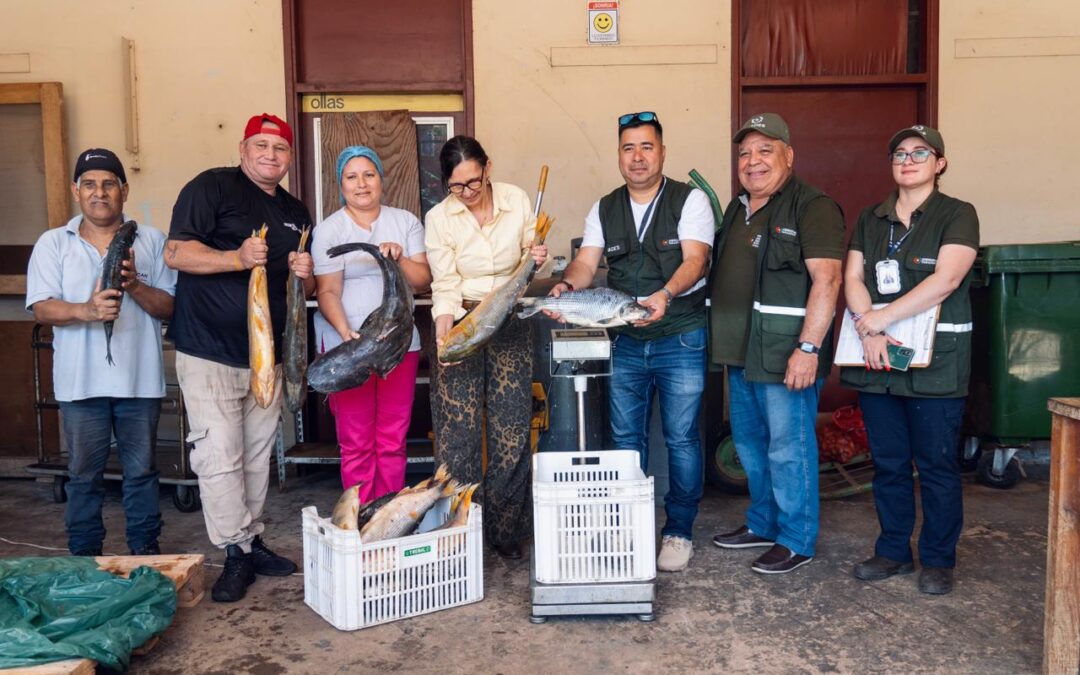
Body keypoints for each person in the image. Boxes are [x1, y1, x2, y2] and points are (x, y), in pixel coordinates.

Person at [551, 111, 713, 572]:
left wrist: (664, 294)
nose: (637, 157)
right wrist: (566, 288)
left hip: (679, 337)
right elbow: (586, 264)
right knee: (625, 438)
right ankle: (628, 525)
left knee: (681, 439)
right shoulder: (605, 207)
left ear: (662, 152)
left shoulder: (690, 200)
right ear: (619, 156)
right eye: (628, 148)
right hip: (624, 343)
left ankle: (678, 531)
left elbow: (695, 261)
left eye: (646, 147)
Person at [166, 113, 314, 602]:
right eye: (261, 145)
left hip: (264, 356)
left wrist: (302, 272)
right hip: (208, 349)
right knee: (218, 456)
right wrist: (234, 258)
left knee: (254, 457)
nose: (270, 155)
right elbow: (176, 253)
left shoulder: (296, 211)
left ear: (291, 157)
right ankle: (232, 553)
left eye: (280, 148)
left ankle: (250, 542)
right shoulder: (212, 187)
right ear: (243, 148)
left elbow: (296, 287)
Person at [841, 125, 979, 595]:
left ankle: (938, 559)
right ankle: (893, 551)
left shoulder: (957, 214)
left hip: (935, 367)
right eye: (900, 152)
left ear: (939, 163)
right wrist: (866, 321)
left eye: (921, 152)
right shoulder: (871, 217)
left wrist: (880, 320)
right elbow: (853, 276)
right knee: (889, 463)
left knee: (937, 464)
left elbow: (946, 280)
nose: (908, 159)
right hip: (877, 362)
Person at [709, 113, 844, 574]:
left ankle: (797, 537)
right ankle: (763, 522)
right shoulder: (737, 208)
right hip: (741, 353)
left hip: (786, 354)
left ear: (789, 155)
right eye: (745, 153)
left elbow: (827, 280)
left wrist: (808, 349)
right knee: (750, 445)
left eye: (766, 150)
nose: (753, 161)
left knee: (789, 447)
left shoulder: (812, 206)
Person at [26, 148, 175, 557]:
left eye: (109, 184)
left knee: (142, 473)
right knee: (82, 475)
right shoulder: (54, 242)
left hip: (139, 381)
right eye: (90, 184)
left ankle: (146, 552)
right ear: (77, 191)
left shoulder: (151, 240)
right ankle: (84, 556)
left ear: (124, 190)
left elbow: (171, 307)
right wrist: (86, 310)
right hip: (80, 386)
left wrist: (136, 287)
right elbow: (41, 307)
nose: (100, 193)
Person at [426, 136, 546, 560]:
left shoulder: (515, 199)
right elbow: (444, 282)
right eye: (456, 186)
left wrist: (538, 255)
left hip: (510, 320)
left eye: (473, 182)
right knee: (457, 436)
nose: (467, 193)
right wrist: (445, 334)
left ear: (487, 168)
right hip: (463, 319)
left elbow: (531, 255)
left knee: (511, 430)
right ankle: (460, 534)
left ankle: (506, 531)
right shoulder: (440, 217)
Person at [312, 146, 431, 502]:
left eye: (369, 175)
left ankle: (390, 513)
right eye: (352, 177)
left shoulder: (405, 221)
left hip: (397, 345)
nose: (361, 184)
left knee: (393, 437)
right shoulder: (329, 230)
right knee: (356, 439)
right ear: (340, 184)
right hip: (348, 346)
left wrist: (399, 259)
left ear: (381, 179)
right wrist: (346, 333)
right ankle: (362, 512)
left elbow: (423, 280)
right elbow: (328, 291)